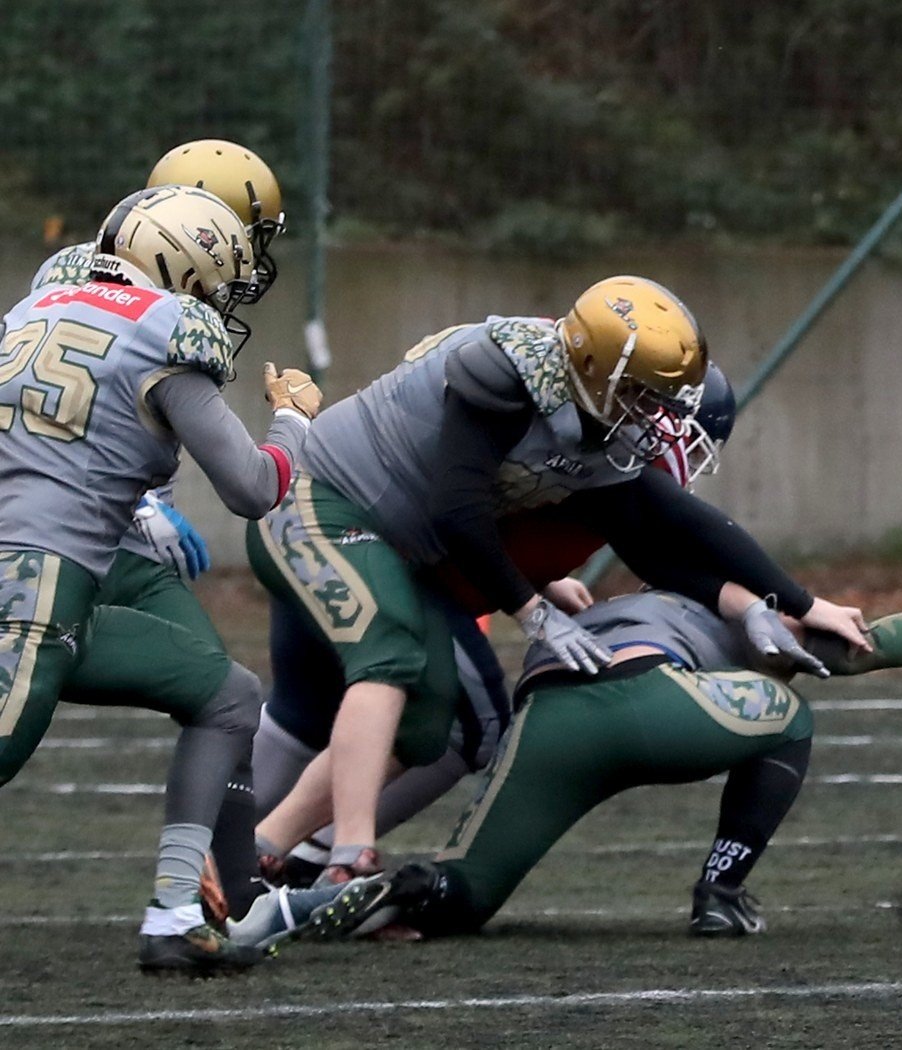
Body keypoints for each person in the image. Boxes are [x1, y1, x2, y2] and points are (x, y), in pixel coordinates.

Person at [247, 277, 869, 884]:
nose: (651, 416)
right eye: (643, 394)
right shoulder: (504, 373)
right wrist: (531, 607)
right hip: (328, 504)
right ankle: (343, 852)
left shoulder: (600, 427)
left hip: (402, 553)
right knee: (395, 664)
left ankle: (264, 847)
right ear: (597, 368)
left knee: (431, 713)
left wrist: (788, 601)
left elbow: (675, 525)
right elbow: (457, 512)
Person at [301, 585, 902, 941]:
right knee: (791, 718)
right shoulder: (732, 603)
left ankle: (384, 888)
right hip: (658, 700)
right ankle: (721, 891)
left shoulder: (609, 601)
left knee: (461, 900)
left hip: (547, 718)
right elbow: (876, 645)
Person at [251, 364, 737, 885]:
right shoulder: (593, 450)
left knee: (305, 708)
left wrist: (542, 583)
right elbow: (466, 512)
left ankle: (212, 861)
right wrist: (529, 602)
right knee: (471, 723)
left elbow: (498, 497)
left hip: (317, 537)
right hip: (392, 561)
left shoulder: (560, 419)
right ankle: (311, 858)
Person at [0, 185, 321, 973]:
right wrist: (293, 423)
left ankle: (176, 914)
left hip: (61, 583)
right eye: (219, 282)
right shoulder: (162, 332)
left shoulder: (33, 309)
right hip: (33, 583)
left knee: (227, 694)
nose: (219, 302)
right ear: (188, 265)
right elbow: (251, 487)